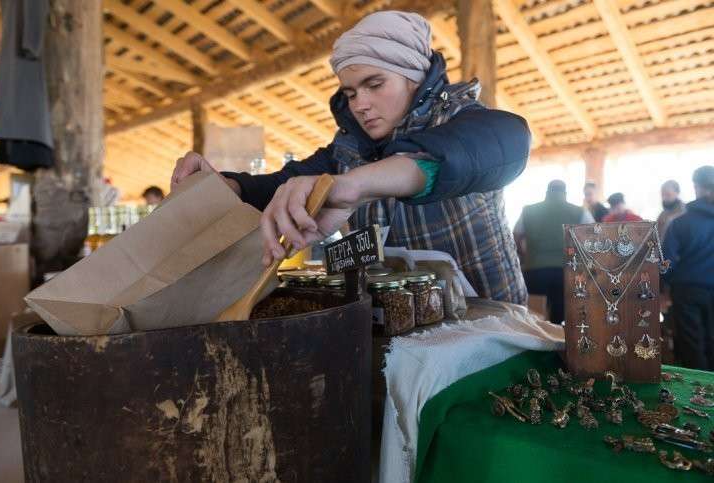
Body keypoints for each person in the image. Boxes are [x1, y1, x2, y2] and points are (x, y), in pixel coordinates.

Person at [171, 11, 531, 304]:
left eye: (375, 85)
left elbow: (500, 144)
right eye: (350, 92)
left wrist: (355, 186)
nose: (360, 104)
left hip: (491, 326)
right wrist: (226, 185)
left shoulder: (461, 121)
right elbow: (283, 183)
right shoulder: (347, 150)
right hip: (402, 336)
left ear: (415, 77)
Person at [514, 180, 594, 323]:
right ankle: (557, 341)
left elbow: (516, 235)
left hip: (534, 269)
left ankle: (536, 343)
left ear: (547, 192)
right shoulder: (579, 212)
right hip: (566, 271)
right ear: (565, 193)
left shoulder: (528, 210)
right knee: (560, 316)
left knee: (535, 315)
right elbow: (592, 237)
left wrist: (524, 255)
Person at [663, 166, 714, 370]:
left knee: (692, 344)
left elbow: (666, 262)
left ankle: (699, 394)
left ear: (696, 187)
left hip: (687, 292)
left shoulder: (679, 223)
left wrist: (666, 284)